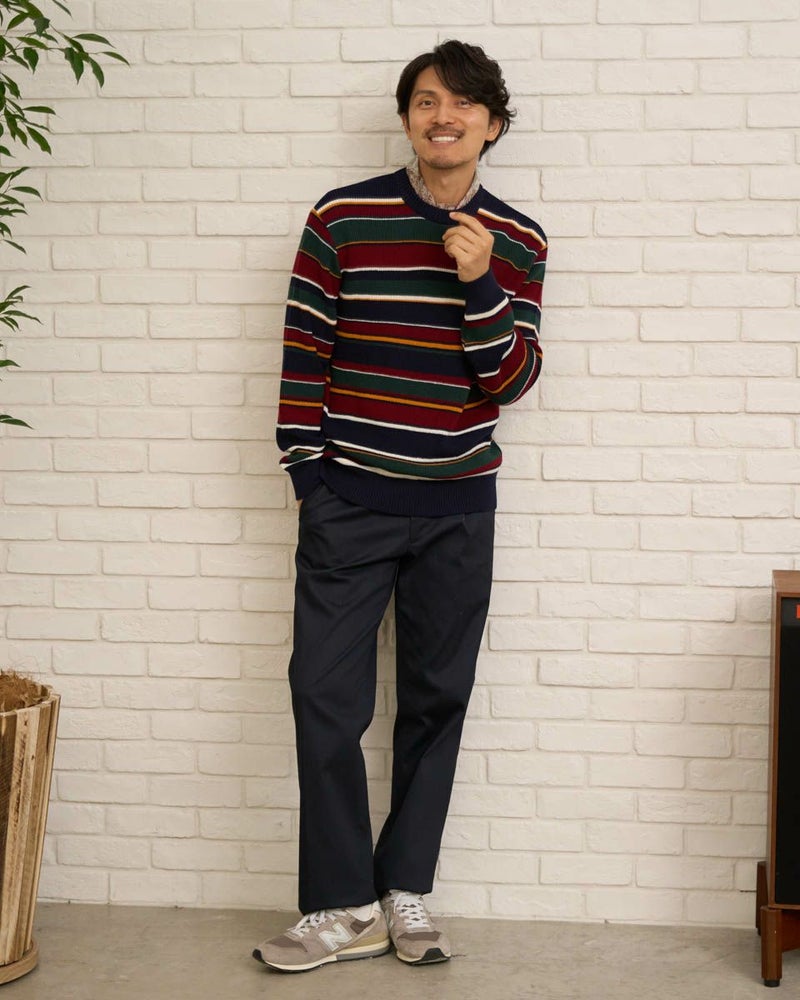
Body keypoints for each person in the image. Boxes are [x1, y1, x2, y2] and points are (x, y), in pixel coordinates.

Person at [253, 39, 547, 974]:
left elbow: (509, 381)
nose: (442, 116)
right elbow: (304, 350)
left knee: (436, 701)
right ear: (409, 118)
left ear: (491, 125)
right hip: (349, 500)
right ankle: (341, 905)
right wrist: (310, 476)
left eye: (462, 104)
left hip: (459, 504)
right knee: (323, 697)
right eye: (426, 100)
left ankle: (404, 889)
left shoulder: (519, 241)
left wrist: (479, 280)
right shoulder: (343, 217)